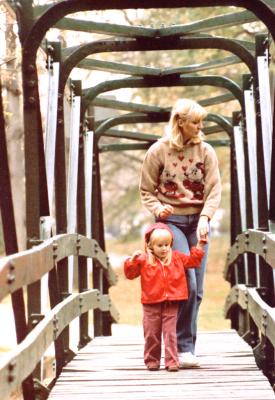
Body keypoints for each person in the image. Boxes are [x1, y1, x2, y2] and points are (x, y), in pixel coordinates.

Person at [139, 98, 221, 368]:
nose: (200, 126)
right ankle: (179, 346)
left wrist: (206, 218)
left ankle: (185, 349)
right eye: (195, 122)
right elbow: (146, 190)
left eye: (201, 121)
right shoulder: (158, 151)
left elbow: (214, 191)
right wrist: (158, 207)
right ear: (180, 122)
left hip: (199, 221)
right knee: (188, 280)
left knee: (198, 290)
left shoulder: (206, 151)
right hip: (171, 222)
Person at [124, 222, 206, 371]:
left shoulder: (176, 258)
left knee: (170, 334)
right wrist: (131, 261)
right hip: (151, 304)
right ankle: (152, 361)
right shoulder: (144, 260)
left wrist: (199, 246)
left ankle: (172, 362)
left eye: (167, 245)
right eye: (160, 245)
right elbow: (130, 275)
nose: (164, 248)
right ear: (150, 246)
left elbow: (193, 261)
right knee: (151, 334)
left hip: (171, 302)